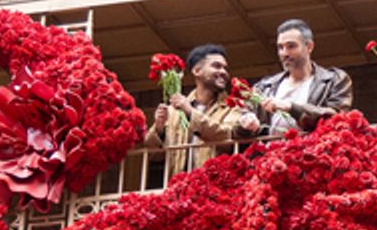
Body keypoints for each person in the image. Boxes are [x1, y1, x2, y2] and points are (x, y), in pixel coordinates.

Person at [146, 43, 260, 177]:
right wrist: (159, 129)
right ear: (197, 71)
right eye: (216, 66)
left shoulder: (232, 108)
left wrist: (190, 112)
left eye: (225, 68)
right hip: (178, 190)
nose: (223, 72)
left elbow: (227, 137)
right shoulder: (174, 112)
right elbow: (153, 155)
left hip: (215, 188)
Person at [251, 20, 353, 135]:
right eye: (280, 47)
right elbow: (238, 128)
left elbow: (337, 119)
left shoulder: (334, 80)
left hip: (313, 150)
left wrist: (291, 107)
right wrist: (245, 124)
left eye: (291, 46)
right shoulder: (264, 86)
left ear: (309, 46)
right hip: (269, 151)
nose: (285, 53)